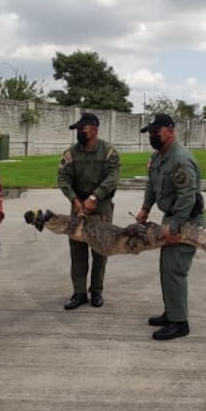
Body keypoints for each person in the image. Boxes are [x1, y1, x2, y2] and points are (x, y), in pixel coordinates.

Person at [136, 113, 205, 340]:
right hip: (172, 218)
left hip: (186, 221)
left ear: (170, 131)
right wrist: (146, 208)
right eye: (151, 133)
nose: (153, 136)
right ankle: (172, 312)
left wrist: (174, 227)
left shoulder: (180, 159)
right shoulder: (159, 157)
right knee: (167, 269)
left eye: (157, 132)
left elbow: (188, 197)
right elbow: (152, 184)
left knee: (175, 271)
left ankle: (180, 323)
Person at [57, 112, 120, 310]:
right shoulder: (71, 153)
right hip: (78, 207)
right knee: (77, 250)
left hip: (100, 207)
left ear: (94, 129)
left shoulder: (109, 152)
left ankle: (97, 291)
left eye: (81, 129)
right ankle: (79, 292)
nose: (79, 133)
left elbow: (113, 177)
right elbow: (63, 178)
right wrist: (74, 199)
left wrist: (96, 196)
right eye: (77, 129)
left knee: (101, 249)